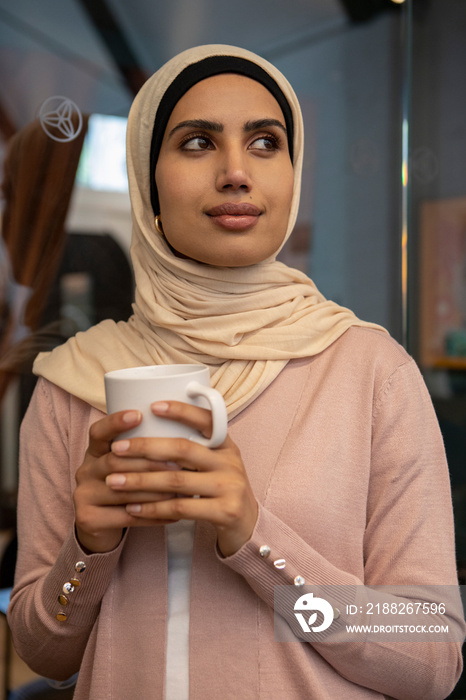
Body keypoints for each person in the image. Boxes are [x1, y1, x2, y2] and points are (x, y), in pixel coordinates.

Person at [7, 44, 465, 700]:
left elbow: (431, 655)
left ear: (292, 171)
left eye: (265, 143)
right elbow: (43, 652)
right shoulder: (74, 383)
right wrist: (89, 545)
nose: (235, 172)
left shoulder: (370, 372)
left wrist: (258, 541)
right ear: (149, 180)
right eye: (196, 143)